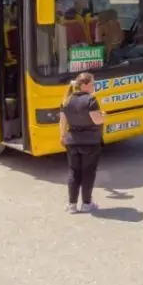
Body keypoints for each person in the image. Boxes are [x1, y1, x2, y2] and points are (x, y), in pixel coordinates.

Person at [58, 71, 106, 213]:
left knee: (74, 172)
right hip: (91, 142)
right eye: (92, 83)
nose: (94, 86)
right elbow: (97, 120)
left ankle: (72, 205)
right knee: (88, 173)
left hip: (72, 141)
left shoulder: (66, 100)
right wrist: (103, 116)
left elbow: (62, 122)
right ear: (84, 85)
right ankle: (86, 204)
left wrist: (62, 136)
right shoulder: (90, 100)